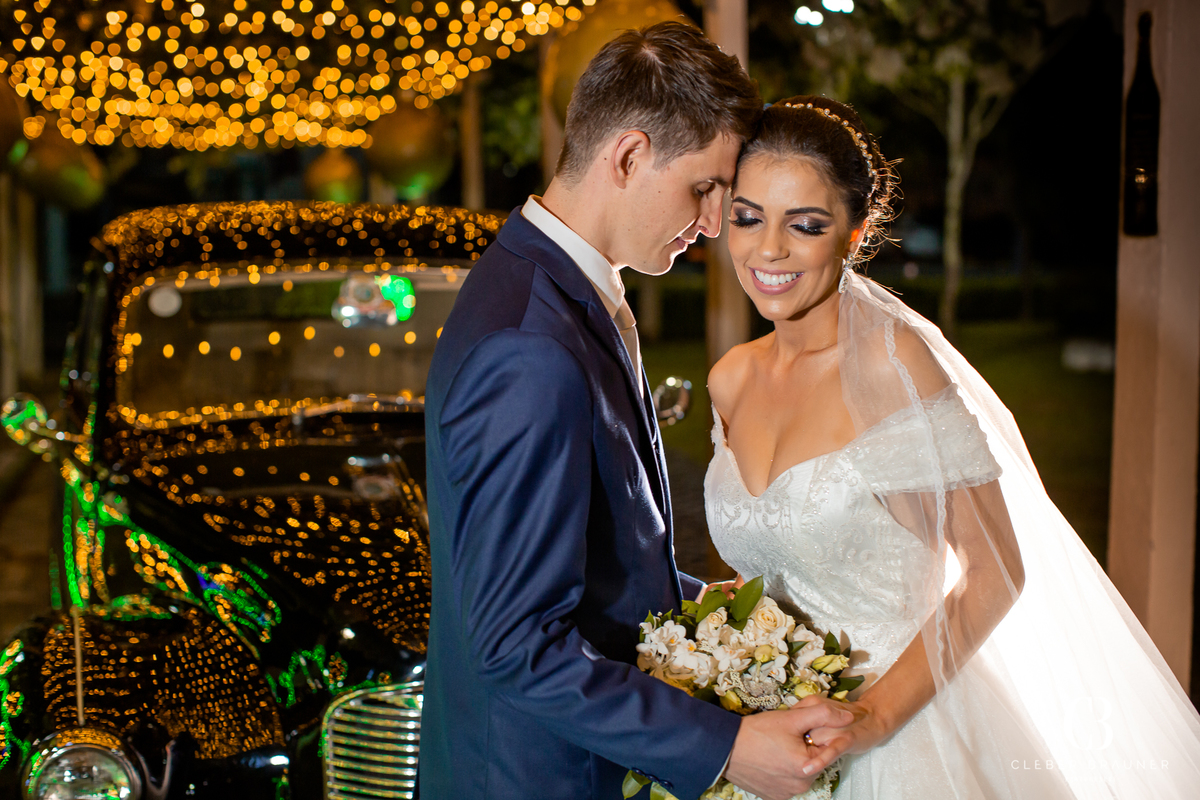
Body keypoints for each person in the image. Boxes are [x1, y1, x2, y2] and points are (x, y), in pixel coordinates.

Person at [705, 94, 1200, 799]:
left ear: (854, 234)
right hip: (762, 740)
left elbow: (995, 571)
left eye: (805, 225)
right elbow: (773, 559)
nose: (768, 250)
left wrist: (870, 718)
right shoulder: (730, 380)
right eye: (747, 217)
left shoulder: (889, 367)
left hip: (898, 740)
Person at [421, 25, 852, 800]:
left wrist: (690, 600)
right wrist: (725, 746)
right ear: (626, 156)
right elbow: (516, 644)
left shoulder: (550, 287)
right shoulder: (531, 346)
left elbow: (581, 554)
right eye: (704, 188)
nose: (717, 223)